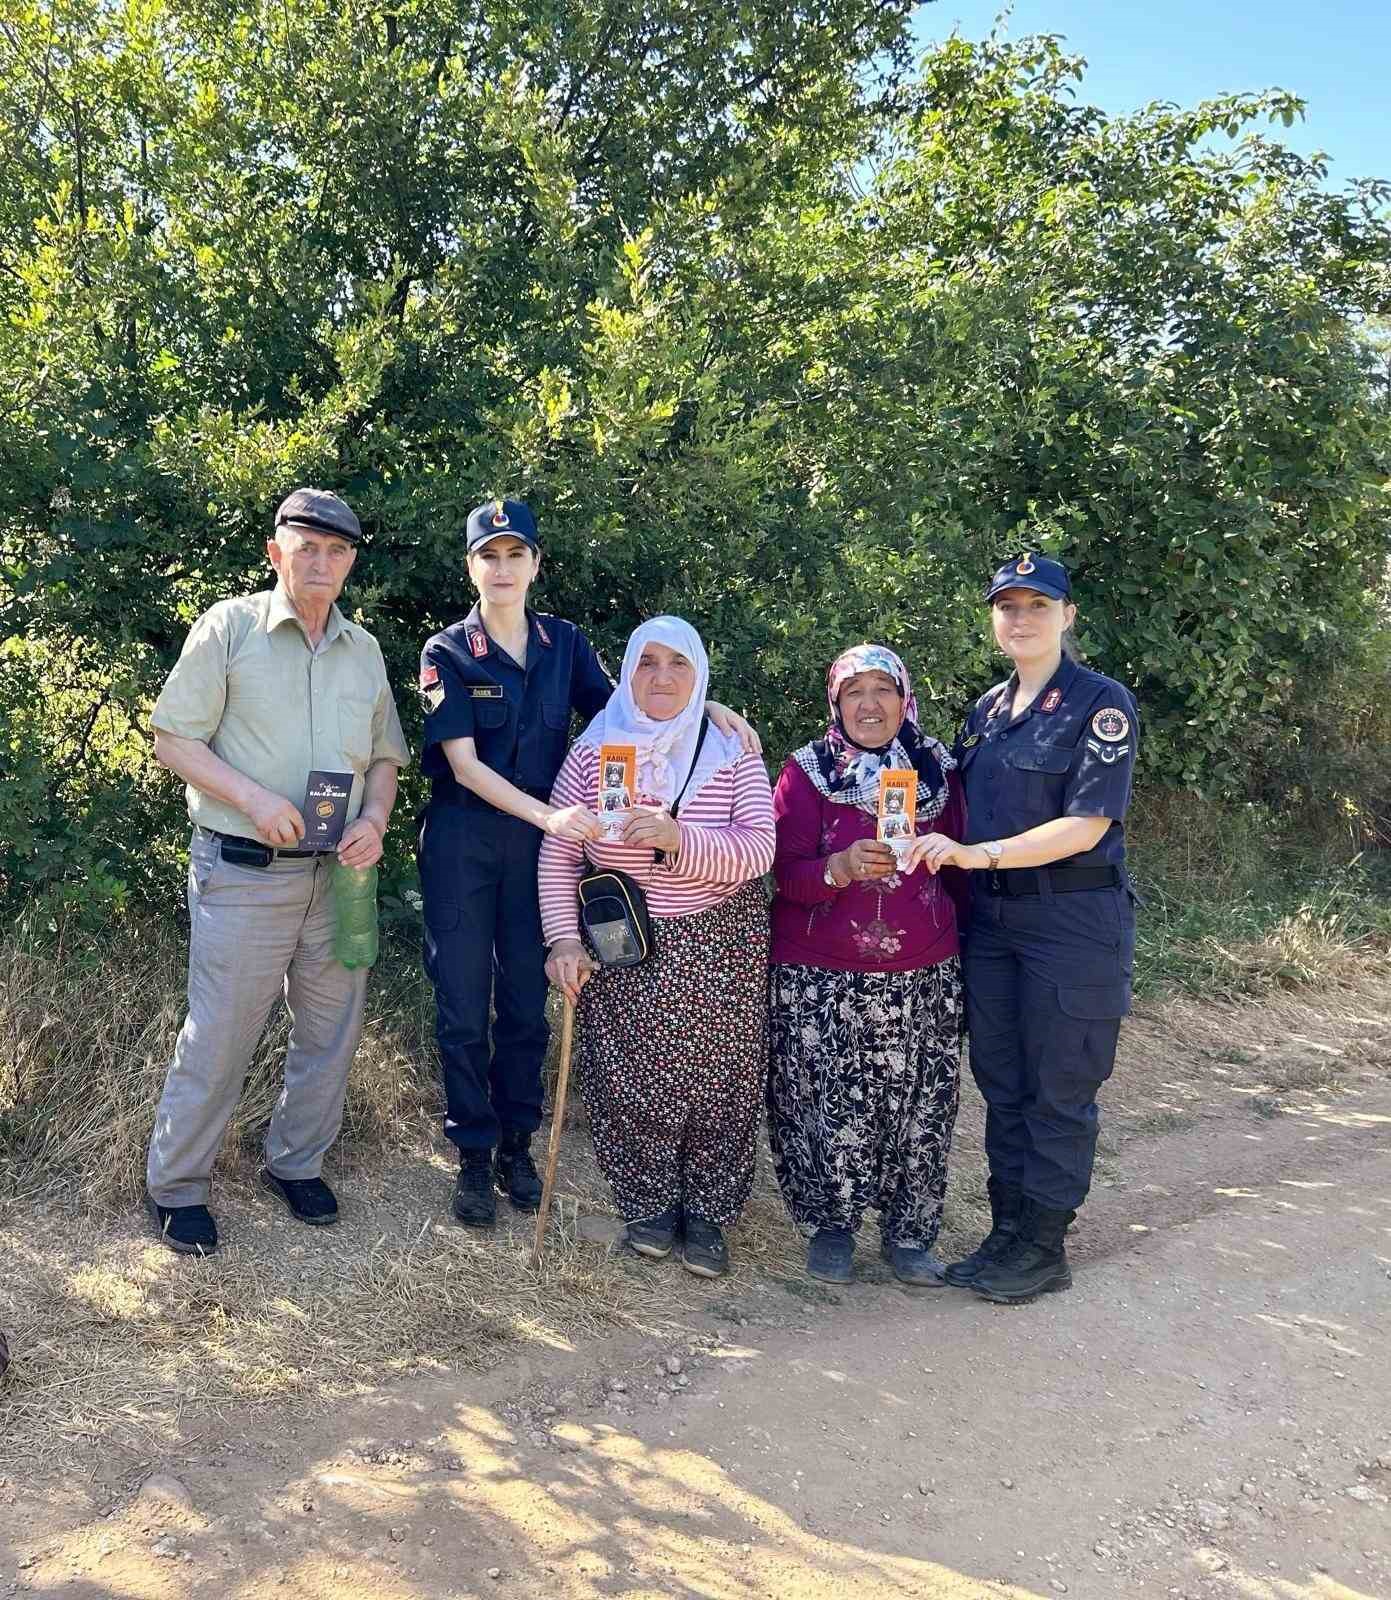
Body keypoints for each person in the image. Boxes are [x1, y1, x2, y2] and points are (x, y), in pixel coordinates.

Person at [417, 506, 758, 1231]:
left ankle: (517, 1147)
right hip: (469, 844)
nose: (503, 568)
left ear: (535, 565)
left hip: (541, 848)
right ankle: (472, 1157)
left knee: (522, 1010)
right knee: (461, 1007)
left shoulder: (563, 643)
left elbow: (634, 706)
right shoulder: (447, 651)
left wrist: (709, 703)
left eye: (516, 554)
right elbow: (465, 767)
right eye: (489, 555)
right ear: (471, 567)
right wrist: (547, 817)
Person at [146, 488, 409, 1256]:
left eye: (336, 551)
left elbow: (386, 758)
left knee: (330, 1033)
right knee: (220, 1036)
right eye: (306, 548)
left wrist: (374, 821)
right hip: (244, 872)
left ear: (351, 562)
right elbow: (172, 739)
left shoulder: (363, 651)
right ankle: (178, 1187)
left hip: (338, 881)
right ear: (276, 554)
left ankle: (295, 1165)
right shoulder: (228, 629)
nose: (321, 562)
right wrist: (255, 797)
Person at [915, 553, 1139, 1304]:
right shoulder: (986, 709)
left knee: (1059, 1086)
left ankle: (1044, 1245)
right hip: (996, 924)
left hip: (1069, 921)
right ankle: (1006, 1233)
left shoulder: (1099, 704)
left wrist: (979, 856)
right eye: (1007, 606)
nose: (1020, 619)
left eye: (1037, 606)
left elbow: (1085, 823)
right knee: (1003, 1082)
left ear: (1067, 617)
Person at [538, 617, 775, 1278]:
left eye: (678, 663)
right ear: (626, 673)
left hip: (719, 935)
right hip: (625, 939)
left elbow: (760, 849)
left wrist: (678, 839)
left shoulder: (730, 747)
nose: (663, 677)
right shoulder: (594, 750)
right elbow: (558, 854)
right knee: (631, 1075)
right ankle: (646, 1206)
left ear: (698, 674)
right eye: (647, 662)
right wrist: (561, 937)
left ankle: (707, 1214)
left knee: (719, 1080)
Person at [766, 645, 968, 1287]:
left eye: (884, 689)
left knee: (920, 1107)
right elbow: (781, 875)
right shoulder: (805, 773)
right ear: (836, 701)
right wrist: (839, 867)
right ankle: (830, 1227)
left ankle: (910, 1236)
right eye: (855, 691)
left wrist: (946, 856)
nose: (870, 704)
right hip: (819, 976)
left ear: (906, 698)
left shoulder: (939, 769)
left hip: (923, 973)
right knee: (824, 1103)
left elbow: (965, 862)